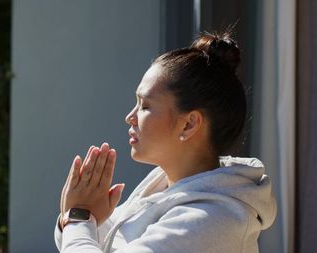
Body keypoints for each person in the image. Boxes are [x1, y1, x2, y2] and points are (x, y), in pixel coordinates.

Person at [54, 32, 277, 253]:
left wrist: (78, 218)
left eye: (145, 106)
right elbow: (102, 238)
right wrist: (84, 217)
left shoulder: (210, 220)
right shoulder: (162, 185)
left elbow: (83, 234)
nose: (130, 117)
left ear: (189, 124)